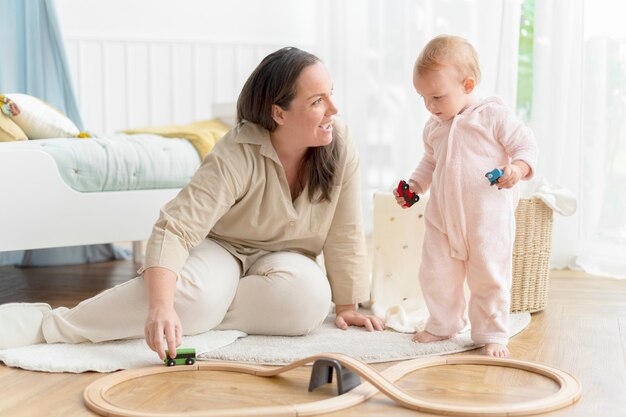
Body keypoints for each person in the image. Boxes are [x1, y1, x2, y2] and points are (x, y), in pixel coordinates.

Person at [0, 47, 384, 358]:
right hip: (223, 247)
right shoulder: (237, 150)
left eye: (332, 94)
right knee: (189, 299)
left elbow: (346, 228)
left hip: (286, 257)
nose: (333, 109)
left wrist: (347, 303)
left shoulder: (338, 142)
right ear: (278, 113)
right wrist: (162, 307)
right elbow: (176, 227)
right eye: (318, 100)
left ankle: (202, 310)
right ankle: (49, 325)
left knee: (309, 303)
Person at [394, 35, 537, 357]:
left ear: (468, 85)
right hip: (443, 218)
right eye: (423, 98)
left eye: (437, 97)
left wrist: (517, 168)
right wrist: (415, 186)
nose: (430, 106)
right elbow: (430, 161)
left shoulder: (494, 117)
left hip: (486, 219)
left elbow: (526, 146)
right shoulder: (435, 126)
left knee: (488, 276)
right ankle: (443, 323)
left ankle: (491, 332)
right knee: (435, 274)